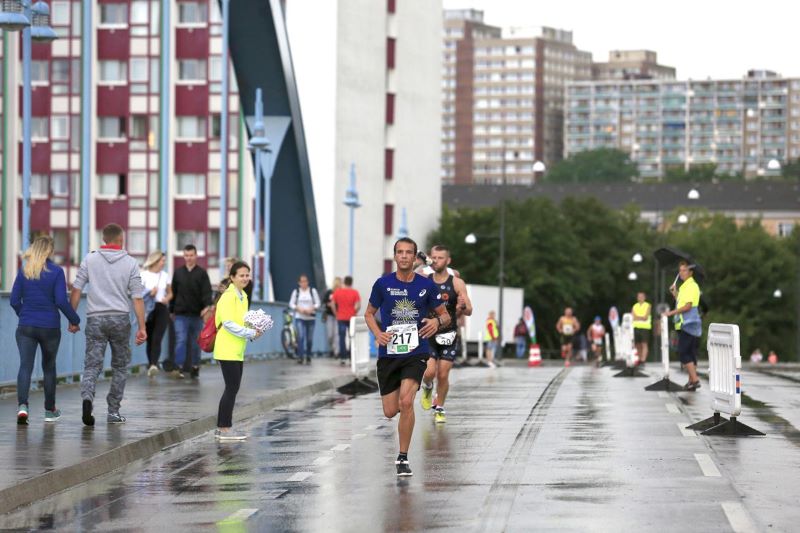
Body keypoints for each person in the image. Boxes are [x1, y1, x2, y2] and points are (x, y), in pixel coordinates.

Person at [364, 237, 449, 476]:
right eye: (399, 252)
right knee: (391, 411)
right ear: (395, 256)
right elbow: (369, 314)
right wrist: (378, 333)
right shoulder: (382, 284)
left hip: (416, 352)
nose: (403, 256)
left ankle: (402, 457)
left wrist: (436, 321)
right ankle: (406, 413)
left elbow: (445, 316)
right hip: (389, 353)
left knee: (406, 402)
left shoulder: (426, 285)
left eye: (408, 252)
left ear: (414, 257)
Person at [70, 223, 146, 425]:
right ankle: (113, 412)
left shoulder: (90, 259)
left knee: (92, 365)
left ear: (103, 239)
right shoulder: (131, 263)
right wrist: (142, 327)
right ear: (121, 240)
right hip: (120, 319)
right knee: (120, 366)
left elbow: (76, 289)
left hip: (95, 318)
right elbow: (137, 297)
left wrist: (72, 319)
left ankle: (87, 397)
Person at [10, 236, 81, 424]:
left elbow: (14, 300)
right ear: (50, 251)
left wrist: (24, 315)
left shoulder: (24, 271)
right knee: (49, 368)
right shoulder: (56, 272)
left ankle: (22, 407)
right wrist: (74, 320)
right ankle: (50, 411)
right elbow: (61, 301)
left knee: (25, 366)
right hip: (50, 327)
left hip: (26, 326)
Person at [419, 245, 472, 423]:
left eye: (440, 258)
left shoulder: (457, 283)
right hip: (429, 332)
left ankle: (439, 407)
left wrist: (463, 306)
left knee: (443, 374)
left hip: (449, 334)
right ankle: (427, 386)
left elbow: (469, 310)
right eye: (433, 257)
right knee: (429, 372)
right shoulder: (425, 280)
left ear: (448, 261)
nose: (436, 261)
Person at [214, 261, 263, 440]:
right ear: (232, 277)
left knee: (233, 388)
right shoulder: (228, 296)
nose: (245, 278)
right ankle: (224, 429)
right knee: (231, 388)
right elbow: (228, 323)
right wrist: (250, 333)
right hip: (227, 348)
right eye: (241, 275)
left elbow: (241, 321)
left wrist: (255, 330)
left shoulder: (243, 296)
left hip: (237, 349)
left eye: (247, 275)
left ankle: (224, 427)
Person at [171, 244, 213, 379]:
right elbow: (173, 292)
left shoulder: (202, 273)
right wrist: (171, 310)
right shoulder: (178, 273)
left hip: (197, 315)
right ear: (184, 256)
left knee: (196, 343)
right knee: (181, 340)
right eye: (186, 255)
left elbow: (207, 292)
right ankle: (178, 367)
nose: (189, 258)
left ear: (196, 256)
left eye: (191, 255)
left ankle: (195, 366)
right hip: (181, 314)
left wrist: (207, 307)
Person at [663, 261, 702, 391]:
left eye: (684, 270)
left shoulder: (692, 286)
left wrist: (670, 313)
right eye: (680, 270)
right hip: (685, 324)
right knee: (690, 353)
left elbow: (687, 306)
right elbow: (681, 302)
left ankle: (695, 380)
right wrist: (675, 293)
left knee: (683, 352)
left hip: (689, 323)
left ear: (690, 272)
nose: (681, 273)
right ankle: (691, 382)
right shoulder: (685, 286)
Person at [140, 251, 172, 377]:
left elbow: (170, 292)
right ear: (155, 261)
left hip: (161, 308)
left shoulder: (165, 275)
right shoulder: (143, 275)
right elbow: (138, 294)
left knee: (157, 338)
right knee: (149, 338)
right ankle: (151, 364)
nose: (164, 263)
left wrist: (167, 298)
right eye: (162, 260)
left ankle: (153, 364)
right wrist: (150, 293)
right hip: (148, 309)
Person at [289, 274, 321, 364]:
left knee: (309, 339)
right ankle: (300, 356)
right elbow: (291, 303)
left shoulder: (312, 291)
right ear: (299, 283)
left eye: (305, 281)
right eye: (302, 281)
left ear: (308, 282)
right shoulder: (296, 292)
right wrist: (298, 308)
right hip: (300, 317)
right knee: (301, 337)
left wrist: (312, 308)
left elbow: (318, 303)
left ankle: (308, 355)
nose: (304, 283)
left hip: (310, 317)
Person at [331, 275, 361, 366]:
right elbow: (358, 305)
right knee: (352, 337)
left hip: (340, 317)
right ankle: (351, 357)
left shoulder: (337, 292)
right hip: (351, 318)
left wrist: (336, 313)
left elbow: (332, 304)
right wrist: (355, 311)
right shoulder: (355, 292)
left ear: (344, 282)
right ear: (351, 283)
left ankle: (343, 358)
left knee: (342, 338)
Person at [323, 277, 342, 358]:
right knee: (330, 335)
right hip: (330, 315)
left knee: (336, 334)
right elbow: (324, 302)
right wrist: (329, 304)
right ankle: (332, 348)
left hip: (339, 316)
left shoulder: (341, 292)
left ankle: (336, 352)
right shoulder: (329, 292)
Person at [632, 292, 652, 365]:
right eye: (639, 297)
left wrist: (637, 317)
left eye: (641, 296)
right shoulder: (634, 306)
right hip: (636, 327)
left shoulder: (648, 305)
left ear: (644, 297)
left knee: (644, 344)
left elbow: (646, 317)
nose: (640, 298)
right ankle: (639, 359)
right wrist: (641, 317)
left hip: (645, 327)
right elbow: (633, 317)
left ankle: (643, 360)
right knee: (637, 344)